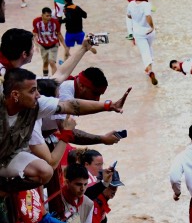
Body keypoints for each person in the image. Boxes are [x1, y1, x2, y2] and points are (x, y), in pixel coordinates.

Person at [1, 67, 130, 188]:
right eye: (32, 91)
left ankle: (3, 191)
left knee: (45, 172)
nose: (38, 95)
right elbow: (52, 161)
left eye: (36, 89)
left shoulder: (37, 105)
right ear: (15, 95)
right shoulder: (29, 119)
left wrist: (108, 106)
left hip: (8, 156)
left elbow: (70, 106)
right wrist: (68, 133)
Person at [60, 162, 126, 223]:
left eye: (85, 184)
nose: (82, 189)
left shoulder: (89, 202)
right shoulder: (92, 202)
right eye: (111, 186)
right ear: (67, 182)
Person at [127, 0, 156, 85]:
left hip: (138, 32)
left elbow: (129, 16)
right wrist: (152, 26)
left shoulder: (131, 4)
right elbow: (148, 16)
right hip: (149, 31)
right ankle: (149, 67)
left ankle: (149, 69)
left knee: (145, 52)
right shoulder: (147, 4)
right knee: (149, 47)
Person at [32, 7, 60, 76]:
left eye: (50, 15)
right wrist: (35, 45)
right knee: (45, 63)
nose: (49, 17)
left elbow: (59, 34)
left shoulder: (55, 22)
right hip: (42, 45)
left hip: (53, 44)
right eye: (47, 16)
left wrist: (65, 47)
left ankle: (55, 80)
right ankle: (45, 77)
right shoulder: (36, 21)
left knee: (52, 62)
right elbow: (35, 34)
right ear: (42, 15)